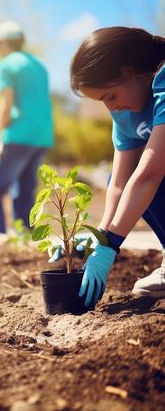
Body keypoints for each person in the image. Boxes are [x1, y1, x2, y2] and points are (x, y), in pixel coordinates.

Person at [68, 26, 165, 306]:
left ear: (128, 72)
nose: (112, 108)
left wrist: (111, 246)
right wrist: (101, 236)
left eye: (110, 96)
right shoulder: (124, 118)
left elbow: (150, 175)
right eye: (103, 102)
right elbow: (119, 185)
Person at [0, 21, 54, 234]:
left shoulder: (6, 65)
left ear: (2, 43)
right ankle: (25, 237)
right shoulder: (38, 65)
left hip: (19, 134)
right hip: (43, 136)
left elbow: (6, 105)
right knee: (24, 190)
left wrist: (1, 134)